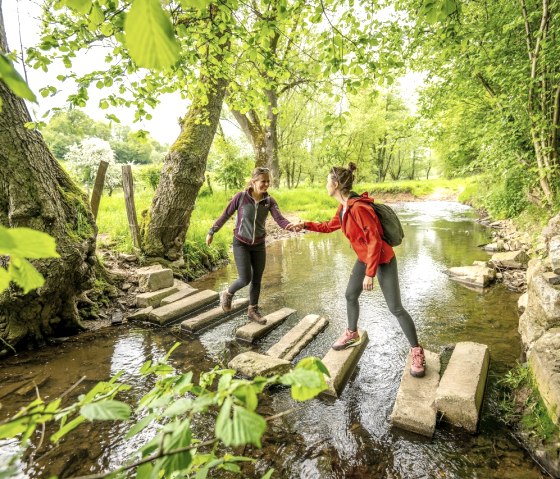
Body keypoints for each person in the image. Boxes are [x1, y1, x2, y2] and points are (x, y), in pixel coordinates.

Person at [293, 162, 425, 377]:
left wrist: (369, 274)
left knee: (395, 308)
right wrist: (305, 225)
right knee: (350, 295)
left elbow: (374, 241)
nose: (325, 185)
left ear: (335, 184)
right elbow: (329, 226)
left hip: (382, 259)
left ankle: (417, 351)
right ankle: (352, 333)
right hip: (365, 257)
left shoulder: (359, 208)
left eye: (327, 181)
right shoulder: (344, 208)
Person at [206, 167, 296, 324]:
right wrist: (212, 231)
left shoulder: (269, 201)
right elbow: (225, 215)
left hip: (259, 244)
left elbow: (280, 220)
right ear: (254, 181)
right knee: (245, 278)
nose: (266, 184)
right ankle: (227, 293)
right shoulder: (241, 197)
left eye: (268, 181)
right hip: (241, 243)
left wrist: (291, 226)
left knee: (257, 279)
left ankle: (252, 310)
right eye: (263, 181)